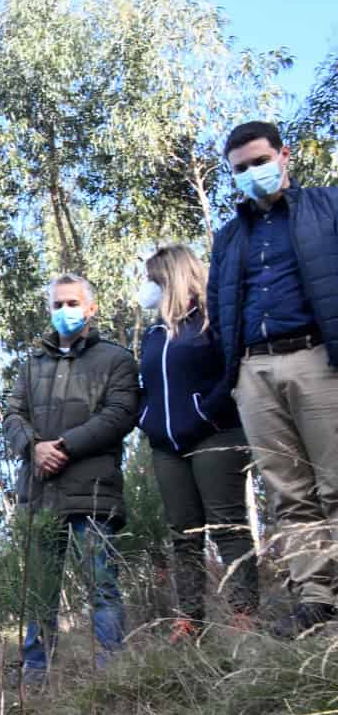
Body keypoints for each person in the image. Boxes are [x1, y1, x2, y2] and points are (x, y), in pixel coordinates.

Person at [206, 120, 338, 638]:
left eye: (260, 161)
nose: (251, 173)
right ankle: (317, 599)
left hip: (317, 358)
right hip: (254, 371)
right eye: (240, 169)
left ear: (285, 156)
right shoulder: (229, 237)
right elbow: (220, 305)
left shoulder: (327, 207)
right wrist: (235, 372)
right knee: (289, 492)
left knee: (334, 481)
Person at [3, 275, 139, 680]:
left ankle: (110, 673)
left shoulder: (116, 359)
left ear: (90, 309)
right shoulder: (32, 365)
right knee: (39, 591)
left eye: (72, 303)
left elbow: (119, 415)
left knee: (102, 584)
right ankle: (36, 674)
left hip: (93, 494)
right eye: (58, 304)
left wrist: (64, 446)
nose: (65, 311)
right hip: (40, 493)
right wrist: (34, 447)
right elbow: (12, 415)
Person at [136, 245, 257, 640]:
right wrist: (146, 419)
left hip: (214, 434)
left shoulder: (211, 321)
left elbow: (231, 373)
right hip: (167, 447)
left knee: (227, 525)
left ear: (170, 278)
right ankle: (190, 620)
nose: (147, 288)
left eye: (152, 280)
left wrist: (204, 413)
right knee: (183, 534)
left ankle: (244, 615)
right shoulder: (153, 333)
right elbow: (146, 387)